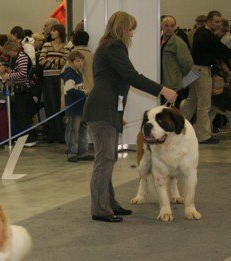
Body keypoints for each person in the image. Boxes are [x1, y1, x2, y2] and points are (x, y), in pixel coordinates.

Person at [83, 11, 177, 223]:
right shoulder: (114, 46)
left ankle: (109, 203)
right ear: (121, 28)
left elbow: (115, 82)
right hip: (102, 109)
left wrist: (117, 115)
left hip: (104, 109)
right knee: (104, 161)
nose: (132, 34)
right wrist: (162, 90)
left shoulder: (105, 47)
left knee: (108, 159)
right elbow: (131, 77)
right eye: (130, 29)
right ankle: (100, 209)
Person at [180, 10, 231, 145]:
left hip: (195, 69)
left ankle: (177, 127)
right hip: (202, 70)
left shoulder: (200, 32)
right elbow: (221, 50)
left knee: (191, 101)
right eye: (216, 21)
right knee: (204, 104)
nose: (219, 24)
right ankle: (203, 135)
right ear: (209, 21)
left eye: (220, 21)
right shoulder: (207, 35)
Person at [60, 50, 91, 162]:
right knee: (73, 130)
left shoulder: (79, 74)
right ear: (71, 61)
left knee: (83, 129)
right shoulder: (69, 74)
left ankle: (83, 151)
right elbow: (70, 91)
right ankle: (72, 152)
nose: (80, 63)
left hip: (81, 107)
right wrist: (84, 93)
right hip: (73, 109)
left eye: (82, 61)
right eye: (78, 61)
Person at [160, 15, 194, 106]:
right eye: (166, 26)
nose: (169, 28)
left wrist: (176, 77)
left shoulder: (179, 43)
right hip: (161, 83)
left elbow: (188, 64)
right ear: (161, 26)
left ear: (175, 27)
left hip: (173, 86)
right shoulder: (157, 41)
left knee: (172, 113)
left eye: (172, 26)